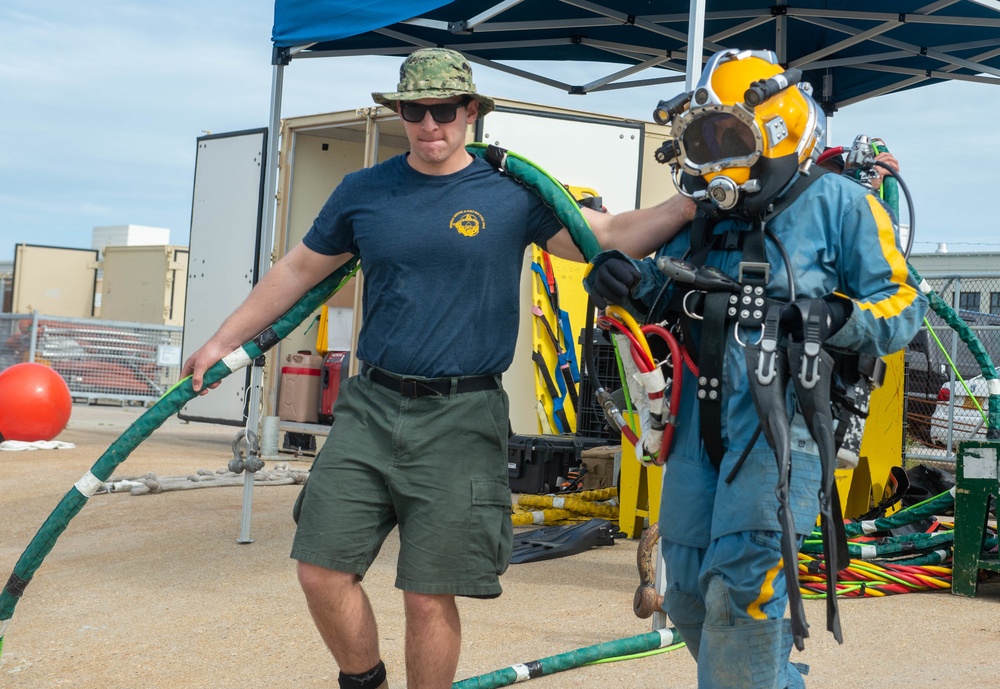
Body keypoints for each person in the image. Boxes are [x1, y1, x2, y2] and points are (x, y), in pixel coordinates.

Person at [182, 48, 693, 689]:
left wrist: (686, 206)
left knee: (428, 592)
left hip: (462, 413)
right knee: (321, 567)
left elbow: (609, 232)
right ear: (399, 113)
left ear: (471, 111)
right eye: (414, 111)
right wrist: (218, 344)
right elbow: (296, 271)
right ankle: (362, 681)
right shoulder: (364, 191)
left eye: (444, 110)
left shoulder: (513, 192)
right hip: (371, 405)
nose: (430, 124)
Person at [585, 48, 928, 688]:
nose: (720, 161)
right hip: (699, 421)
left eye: (731, 139)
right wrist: (623, 285)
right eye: (706, 142)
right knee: (685, 591)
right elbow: (666, 291)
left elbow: (906, 304)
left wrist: (827, 315)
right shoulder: (707, 212)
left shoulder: (844, 206)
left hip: (783, 424)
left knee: (745, 592)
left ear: (778, 132)